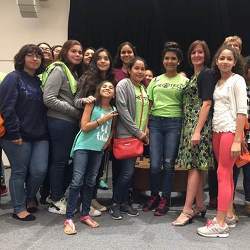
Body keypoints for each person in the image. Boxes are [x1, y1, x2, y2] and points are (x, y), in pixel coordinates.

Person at [197, 45, 247, 238]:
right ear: (216, 61)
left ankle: (220, 223)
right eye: (222, 58)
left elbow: (242, 111)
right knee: (225, 174)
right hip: (217, 131)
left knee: (223, 173)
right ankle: (229, 214)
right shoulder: (218, 82)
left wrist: (237, 138)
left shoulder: (238, 80)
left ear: (235, 62)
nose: (225, 61)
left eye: (229, 58)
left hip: (229, 131)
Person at [0, 44, 48, 221]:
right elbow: (6, 108)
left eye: (38, 56)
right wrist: (14, 133)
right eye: (30, 55)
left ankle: (29, 197)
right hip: (17, 135)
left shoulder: (38, 81)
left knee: (39, 170)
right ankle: (19, 208)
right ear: (22, 58)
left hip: (40, 135)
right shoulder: (13, 78)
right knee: (19, 172)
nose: (35, 58)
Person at [64, 80, 117, 235]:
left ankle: (85, 214)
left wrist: (107, 141)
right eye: (104, 86)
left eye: (111, 87)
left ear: (114, 93)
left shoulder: (113, 109)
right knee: (77, 180)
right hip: (83, 147)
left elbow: (112, 129)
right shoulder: (91, 104)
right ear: (99, 89)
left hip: (98, 149)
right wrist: (102, 120)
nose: (108, 88)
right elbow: (84, 127)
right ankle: (68, 218)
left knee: (91, 181)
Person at [172, 40, 215, 225]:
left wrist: (197, 130)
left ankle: (187, 210)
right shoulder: (193, 76)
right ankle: (199, 205)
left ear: (205, 55)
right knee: (195, 166)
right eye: (193, 53)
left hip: (199, 126)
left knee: (194, 167)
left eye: (200, 52)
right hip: (190, 126)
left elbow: (207, 103)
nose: (196, 55)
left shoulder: (207, 74)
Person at [143, 42, 188, 216]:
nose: (169, 61)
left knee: (168, 163)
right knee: (154, 165)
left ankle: (165, 199)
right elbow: (149, 104)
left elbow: (186, 106)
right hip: (155, 123)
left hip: (174, 123)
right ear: (163, 61)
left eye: (173, 58)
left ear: (178, 61)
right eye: (167, 58)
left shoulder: (184, 81)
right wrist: (146, 126)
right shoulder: (155, 80)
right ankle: (154, 196)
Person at [43, 40, 83, 215]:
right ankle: (55, 199)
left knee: (67, 161)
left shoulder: (72, 72)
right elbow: (49, 98)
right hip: (59, 122)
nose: (78, 55)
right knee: (59, 162)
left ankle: (56, 195)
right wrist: (74, 112)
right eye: (74, 51)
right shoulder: (58, 70)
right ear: (65, 52)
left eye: (80, 52)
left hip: (69, 123)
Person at [75, 48, 114, 216]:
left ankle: (90, 199)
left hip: (103, 132)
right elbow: (76, 101)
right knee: (81, 172)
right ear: (94, 61)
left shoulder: (112, 80)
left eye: (106, 58)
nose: (103, 61)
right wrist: (85, 100)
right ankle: (80, 203)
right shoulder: (87, 78)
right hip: (88, 128)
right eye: (100, 58)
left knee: (95, 171)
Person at [109, 57, 149, 220]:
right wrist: (138, 132)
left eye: (142, 69)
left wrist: (145, 130)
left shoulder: (142, 88)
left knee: (129, 174)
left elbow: (146, 111)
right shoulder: (124, 85)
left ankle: (124, 203)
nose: (140, 71)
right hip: (126, 135)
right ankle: (115, 204)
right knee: (126, 173)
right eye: (136, 68)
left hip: (138, 136)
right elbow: (123, 111)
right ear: (130, 70)